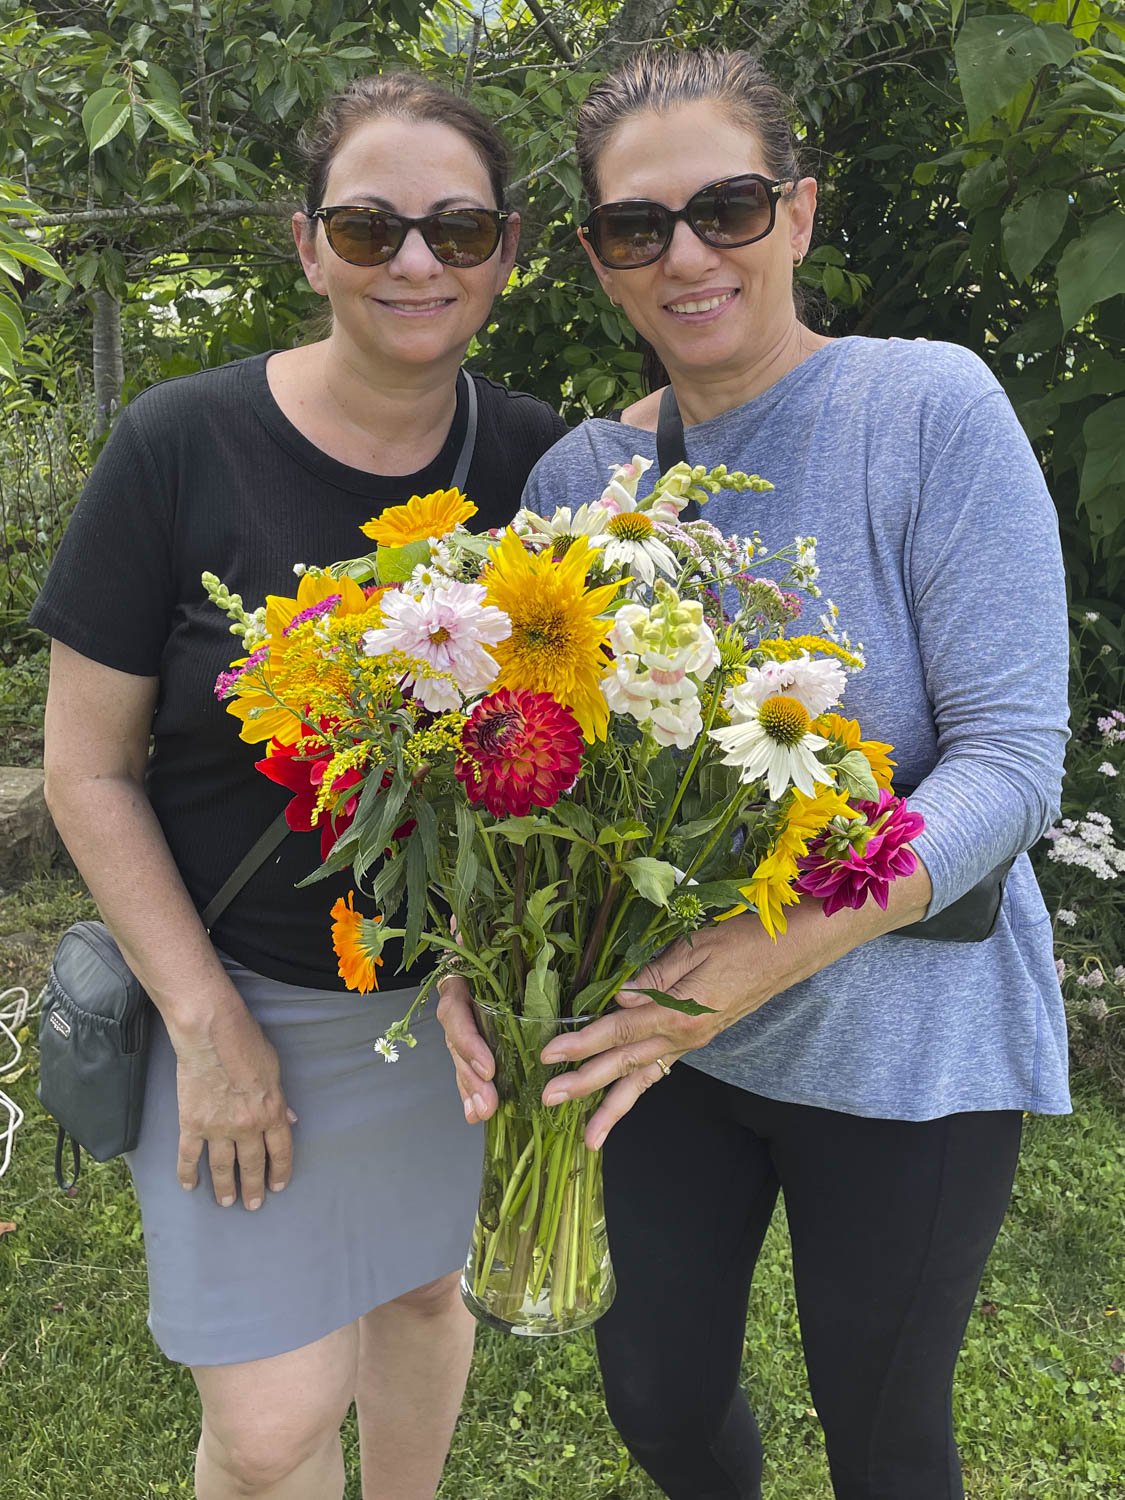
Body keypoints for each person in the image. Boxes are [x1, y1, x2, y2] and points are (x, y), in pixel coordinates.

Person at [438, 47, 1070, 1500]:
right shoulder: (580, 484)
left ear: (794, 212)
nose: (683, 254)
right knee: (656, 1400)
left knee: (883, 1426)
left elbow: (1011, 761)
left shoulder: (923, 409)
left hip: (906, 1047)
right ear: (597, 258)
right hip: (659, 1045)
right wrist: (478, 953)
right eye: (633, 227)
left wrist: (760, 953)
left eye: (723, 206)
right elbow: (529, 774)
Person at [31, 73, 565, 1500]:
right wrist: (205, 1028)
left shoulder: (541, 461)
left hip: (447, 1017)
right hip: (237, 1000)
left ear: (506, 252)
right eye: (369, 224)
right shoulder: (179, 443)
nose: (412, 263)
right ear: (306, 242)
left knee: (416, 1299)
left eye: (455, 231)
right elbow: (85, 768)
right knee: (268, 1434)